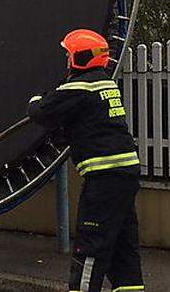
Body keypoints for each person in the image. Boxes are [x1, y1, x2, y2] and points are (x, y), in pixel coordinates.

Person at [27, 29, 144, 292]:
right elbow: (86, 122)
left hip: (104, 180)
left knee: (91, 246)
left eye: (69, 55)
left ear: (79, 58)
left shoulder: (79, 88)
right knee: (124, 247)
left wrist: (36, 97)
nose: (67, 60)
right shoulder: (105, 83)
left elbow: (41, 111)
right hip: (125, 175)